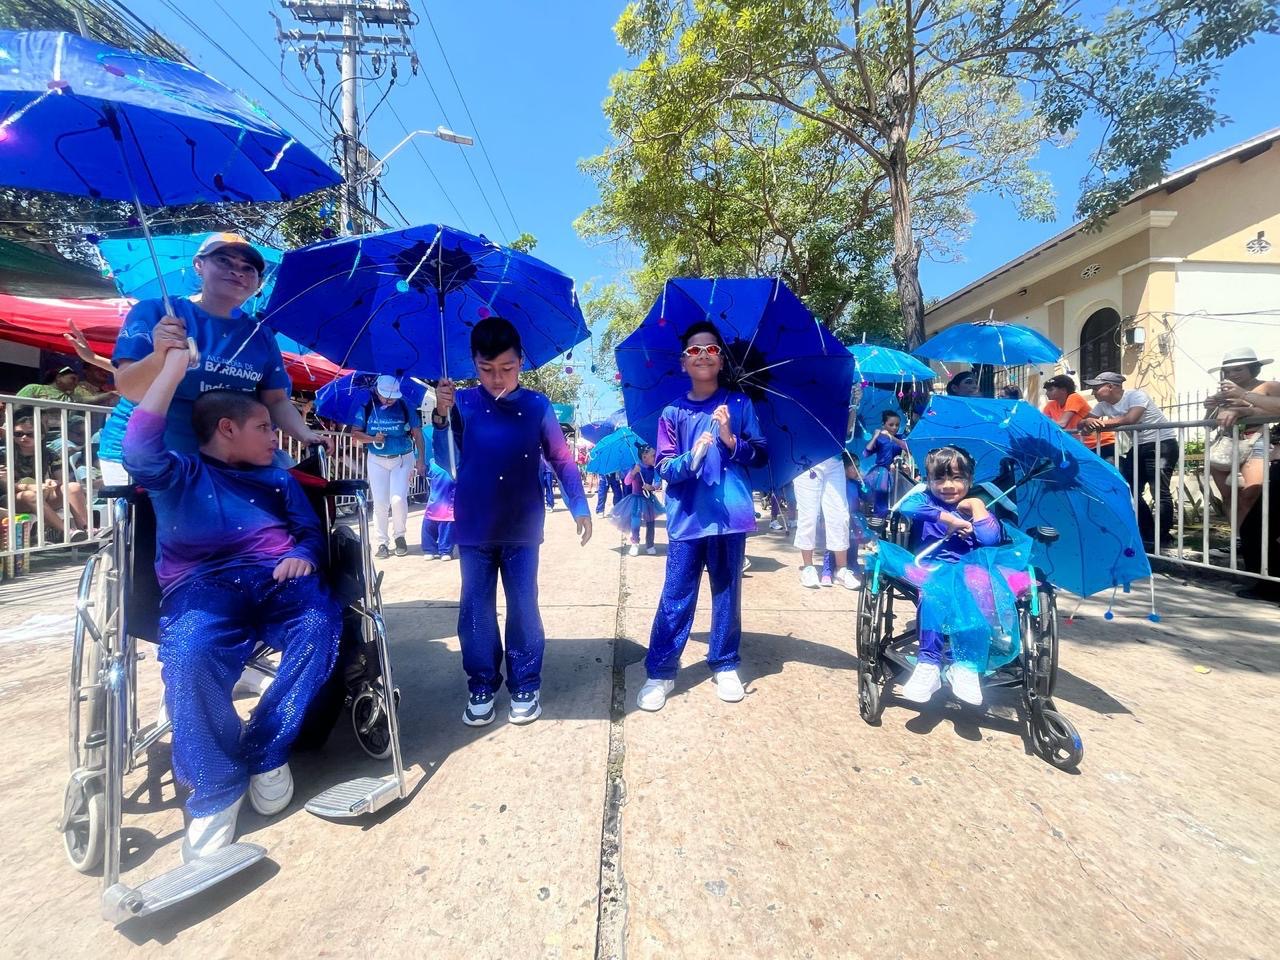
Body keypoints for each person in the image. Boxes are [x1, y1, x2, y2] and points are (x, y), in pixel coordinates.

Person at [122, 340, 341, 863]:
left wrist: (305, 557)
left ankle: (267, 748)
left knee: (322, 622)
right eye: (265, 427)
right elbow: (136, 451)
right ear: (227, 429)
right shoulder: (177, 473)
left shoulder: (277, 479)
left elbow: (309, 532)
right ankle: (216, 787)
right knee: (189, 655)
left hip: (278, 582)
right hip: (201, 588)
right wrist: (172, 369)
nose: (276, 437)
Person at [433, 316, 592, 727]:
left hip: (522, 526)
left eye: (506, 368)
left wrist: (579, 505)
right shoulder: (461, 404)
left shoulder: (537, 406)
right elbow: (443, 459)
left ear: (520, 361)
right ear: (473, 364)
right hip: (474, 526)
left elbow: (560, 458)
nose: (497, 378)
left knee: (523, 606)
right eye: (486, 370)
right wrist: (441, 416)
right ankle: (481, 683)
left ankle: (526, 683)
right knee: (475, 609)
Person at [636, 320, 768, 713]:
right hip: (687, 518)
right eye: (694, 351)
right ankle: (660, 670)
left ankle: (725, 662)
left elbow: (760, 454)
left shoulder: (739, 405)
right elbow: (663, 467)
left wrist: (730, 439)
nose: (703, 356)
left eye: (711, 350)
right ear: (683, 362)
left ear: (722, 359)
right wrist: (690, 459)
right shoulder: (672, 412)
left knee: (727, 592)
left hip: (730, 517)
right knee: (676, 594)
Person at [112, 232, 328, 457]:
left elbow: (276, 401)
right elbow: (129, 388)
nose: (237, 271)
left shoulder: (260, 333)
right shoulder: (158, 313)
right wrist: (159, 356)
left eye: (248, 268)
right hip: (170, 464)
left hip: (240, 465)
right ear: (199, 264)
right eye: (223, 260)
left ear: (258, 283)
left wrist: (306, 435)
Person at [893, 446, 1031, 707]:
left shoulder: (980, 502)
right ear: (928, 480)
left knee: (977, 589)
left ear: (970, 480)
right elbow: (907, 507)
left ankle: (965, 666)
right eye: (940, 478)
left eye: (957, 478)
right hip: (933, 567)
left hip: (972, 570)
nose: (948, 485)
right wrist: (950, 520)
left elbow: (991, 538)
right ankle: (929, 663)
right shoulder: (924, 500)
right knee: (935, 591)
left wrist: (977, 508)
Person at [1080, 372, 1178, 548]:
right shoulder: (1102, 405)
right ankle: (1147, 532)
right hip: (1139, 446)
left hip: (1161, 444)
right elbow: (1084, 423)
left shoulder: (1136, 396)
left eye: (1096, 388)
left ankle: (1163, 536)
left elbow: (1131, 418)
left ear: (1111, 386)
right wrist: (1087, 422)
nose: (1093, 392)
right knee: (1130, 489)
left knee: (1159, 491)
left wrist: (1100, 423)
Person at [351, 375, 425, 558]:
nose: (389, 400)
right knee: (380, 503)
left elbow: (417, 434)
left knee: (398, 499)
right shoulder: (367, 406)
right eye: (385, 396)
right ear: (376, 391)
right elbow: (355, 434)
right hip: (376, 458)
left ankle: (400, 536)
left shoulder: (404, 405)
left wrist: (420, 459)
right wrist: (372, 438)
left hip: (402, 457)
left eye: (393, 396)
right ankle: (382, 542)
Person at [1203, 347, 1280, 522]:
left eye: (1238, 369)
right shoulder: (1223, 393)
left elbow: (1275, 411)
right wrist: (1210, 410)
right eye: (1228, 370)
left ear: (1252, 367)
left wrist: (1243, 407)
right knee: (1229, 497)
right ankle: (1236, 541)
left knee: (1250, 494)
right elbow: (1211, 425)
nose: (1233, 374)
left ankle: (1250, 541)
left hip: (1257, 440)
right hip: (1225, 444)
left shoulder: (1270, 386)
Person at [64, 319, 133, 486]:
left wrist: (92, 357)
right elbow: (120, 369)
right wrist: (90, 356)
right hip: (119, 450)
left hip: (162, 449)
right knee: (128, 506)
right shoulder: (141, 368)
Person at [1, 414, 90, 541]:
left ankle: (86, 529)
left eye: (30, 434)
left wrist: (52, 482)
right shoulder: (3, 454)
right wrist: (33, 487)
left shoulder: (49, 453)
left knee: (73, 487)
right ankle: (68, 532)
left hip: (43, 495)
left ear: (41, 436)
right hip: (11, 499)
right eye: (18, 434)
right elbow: (5, 486)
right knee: (30, 495)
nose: (24, 437)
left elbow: (61, 480)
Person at [793, 448, 859, 589]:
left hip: (834, 458)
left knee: (840, 515)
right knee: (808, 515)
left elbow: (845, 433)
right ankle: (808, 567)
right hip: (805, 457)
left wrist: (849, 424)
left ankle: (840, 570)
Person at [1041, 373, 1115, 460]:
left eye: (1050, 390)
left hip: (1102, 443)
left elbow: (1062, 423)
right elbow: (1041, 422)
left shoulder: (1074, 397)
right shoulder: (1051, 405)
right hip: (1082, 445)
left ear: (1063, 390)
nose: (1046, 393)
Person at [613, 444, 663, 557]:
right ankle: (635, 543)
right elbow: (626, 482)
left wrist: (653, 487)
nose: (655, 457)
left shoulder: (654, 469)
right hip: (636, 498)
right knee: (635, 521)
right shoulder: (635, 467)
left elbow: (658, 482)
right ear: (644, 456)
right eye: (653, 455)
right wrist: (634, 472)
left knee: (651, 522)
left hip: (649, 498)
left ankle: (650, 544)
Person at [863, 410, 908, 521]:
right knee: (881, 496)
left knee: (897, 499)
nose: (894, 428)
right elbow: (865, 453)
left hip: (897, 472)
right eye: (891, 425)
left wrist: (892, 437)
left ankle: (894, 520)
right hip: (882, 472)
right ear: (884, 424)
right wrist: (875, 437)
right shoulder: (880, 439)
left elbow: (907, 447)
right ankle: (878, 520)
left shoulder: (901, 437)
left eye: (897, 425)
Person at [17, 364, 114, 405]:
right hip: (30, 431)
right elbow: (16, 406)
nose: (76, 383)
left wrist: (112, 394)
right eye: (73, 379)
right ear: (58, 377)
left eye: (77, 380)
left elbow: (92, 399)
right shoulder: (34, 388)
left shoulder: (72, 396)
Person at [421, 458, 456, 561]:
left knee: (447, 525)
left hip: (449, 504)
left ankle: (445, 550)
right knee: (429, 524)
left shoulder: (458, 462)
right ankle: (429, 549)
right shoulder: (432, 462)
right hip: (434, 503)